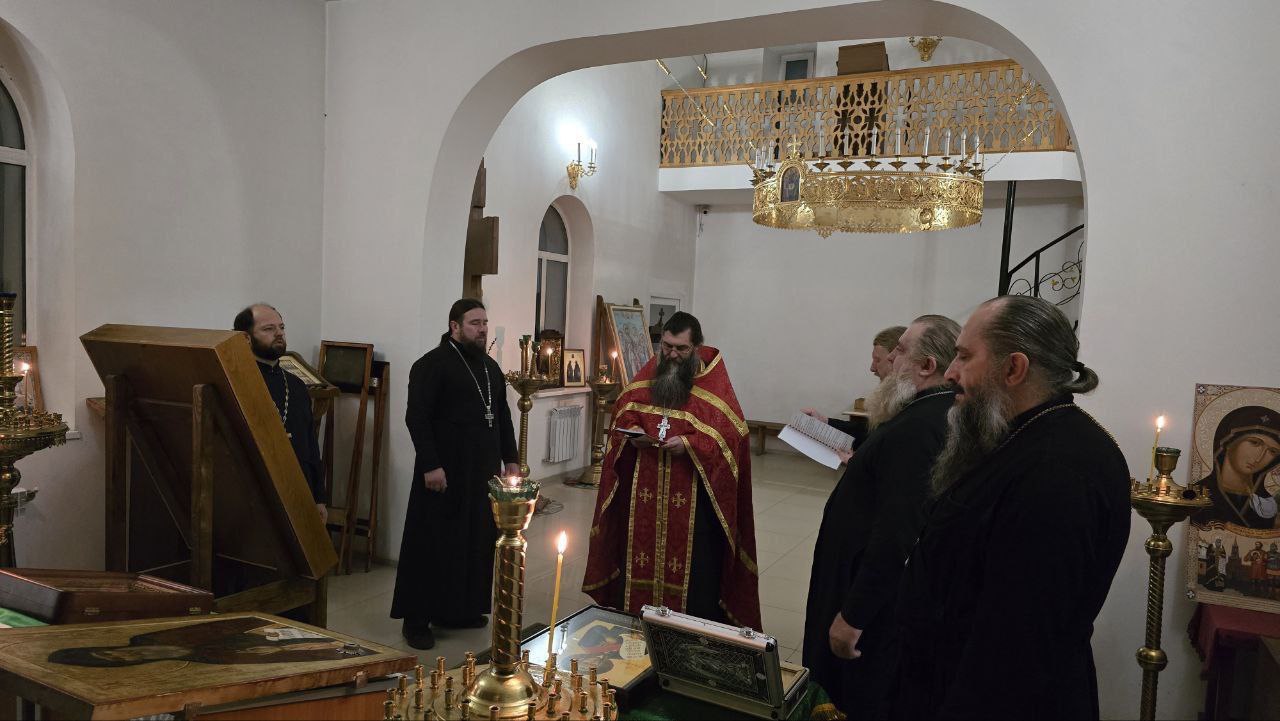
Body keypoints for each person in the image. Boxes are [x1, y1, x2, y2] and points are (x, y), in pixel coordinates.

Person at [891, 295, 1130, 720]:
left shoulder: (1058, 472)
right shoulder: (1020, 434)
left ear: (1014, 368)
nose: (951, 372)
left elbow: (1014, 652)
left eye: (965, 356)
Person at [803, 314, 959, 719]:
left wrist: (853, 615)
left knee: (854, 692)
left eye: (899, 351)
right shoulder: (925, 413)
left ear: (926, 366)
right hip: (859, 579)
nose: (889, 359)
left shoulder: (918, 427)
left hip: (866, 597)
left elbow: (897, 532)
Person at [583, 312, 761, 629]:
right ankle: (638, 628)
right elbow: (626, 410)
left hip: (696, 509)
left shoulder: (713, 385)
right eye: (666, 347)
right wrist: (633, 432)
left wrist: (691, 444)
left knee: (696, 579)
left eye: (681, 349)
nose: (672, 355)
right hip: (643, 502)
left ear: (696, 348)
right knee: (638, 563)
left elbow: (730, 438)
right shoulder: (650, 377)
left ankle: (687, 634)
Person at [390, 299, 519, 650]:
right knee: (432, 543)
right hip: (443, 472)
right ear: (455, 326)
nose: (482, 329)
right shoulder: (431, 365)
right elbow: (417, 418)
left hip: (481, 473)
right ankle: (416, 620)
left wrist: (511, 458)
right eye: (475, 323)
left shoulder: (490, 368)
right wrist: (431, 464)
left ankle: (457, 610)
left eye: (485, 322)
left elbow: (502, 416)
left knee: (472, 541)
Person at [233, 304, 326, 521]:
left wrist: (319, 497)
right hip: (253, 497)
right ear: (245, 338)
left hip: (298, 492)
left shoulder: (296, 385)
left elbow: (310, 445)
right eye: (268, 329)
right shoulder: (236, 381)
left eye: (281, 327)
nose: (279, 333)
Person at [803, 325, 907, 445]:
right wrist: (824, 421)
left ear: (897, 360)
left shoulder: (910, 405)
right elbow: (868, 432)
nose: (872, 368)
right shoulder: (896, 396)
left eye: (878, 360)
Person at [1189, 405, 1280, 530]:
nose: (1259, 458)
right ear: (1230, 442)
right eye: (1254, 442)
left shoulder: (1268, 504)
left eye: (1272, 451)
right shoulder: (1196, 494)